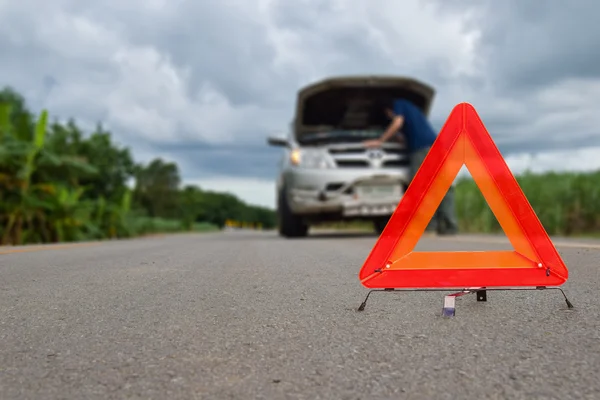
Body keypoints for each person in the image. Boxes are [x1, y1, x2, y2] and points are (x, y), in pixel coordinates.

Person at [362, 98, 458, 235]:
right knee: (442, 187)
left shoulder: (398, 105)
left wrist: (380, 141)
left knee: (420, 187)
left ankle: (429, 226)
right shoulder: (412, 109)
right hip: (437, 147)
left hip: (421, 150)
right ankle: (449, 227)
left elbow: (397, 122)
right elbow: (404, 131)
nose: (390, 118)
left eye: (388, 116)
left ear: (388, 111)